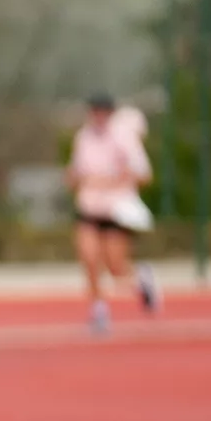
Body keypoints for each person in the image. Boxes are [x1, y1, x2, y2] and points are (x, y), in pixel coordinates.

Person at [68, 92, 158, 334]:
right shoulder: (83, 137)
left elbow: (144, 175)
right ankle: (99, 311)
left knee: (115, 268)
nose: (98, 116)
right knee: (89, 259)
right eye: (94, 111)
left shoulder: (124, 137)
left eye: (103, 111)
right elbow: (75, 172)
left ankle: (142, 278)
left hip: (115, 210)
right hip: (89, 208)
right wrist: (75, 178)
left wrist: (109, 181)